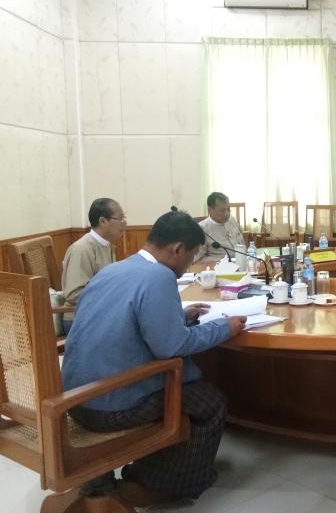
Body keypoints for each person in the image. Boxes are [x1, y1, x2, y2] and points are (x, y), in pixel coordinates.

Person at [62, 210, 247, 505]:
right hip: (108, 405)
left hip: (74, 400)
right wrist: (224, 327)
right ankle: (161, 485)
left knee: (189, 392)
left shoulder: (115, 269)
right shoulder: (160, 276)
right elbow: (172, 347)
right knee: (211, 402)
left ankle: (145, 471)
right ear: (177, 249)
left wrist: (177, 316)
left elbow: (121, 320)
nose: (189, 265)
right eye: (191, 256)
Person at [62, 198, 127, 307]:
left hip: (100, 308)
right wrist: (113, 294)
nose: (124, 223)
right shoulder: (81, 249)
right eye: (120, 218)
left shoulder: (107, 245)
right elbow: (74, 294)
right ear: (103, 221)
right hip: (81, 314)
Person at [195, 192, 244, 261]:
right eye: (222, 210)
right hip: (218, 265)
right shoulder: (202, 228)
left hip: (240, 261)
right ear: (210, 210)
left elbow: (241, 242)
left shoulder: (232, 220)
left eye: (228, 209)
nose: (227, 214)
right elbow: (198, 259)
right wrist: (221, 261)